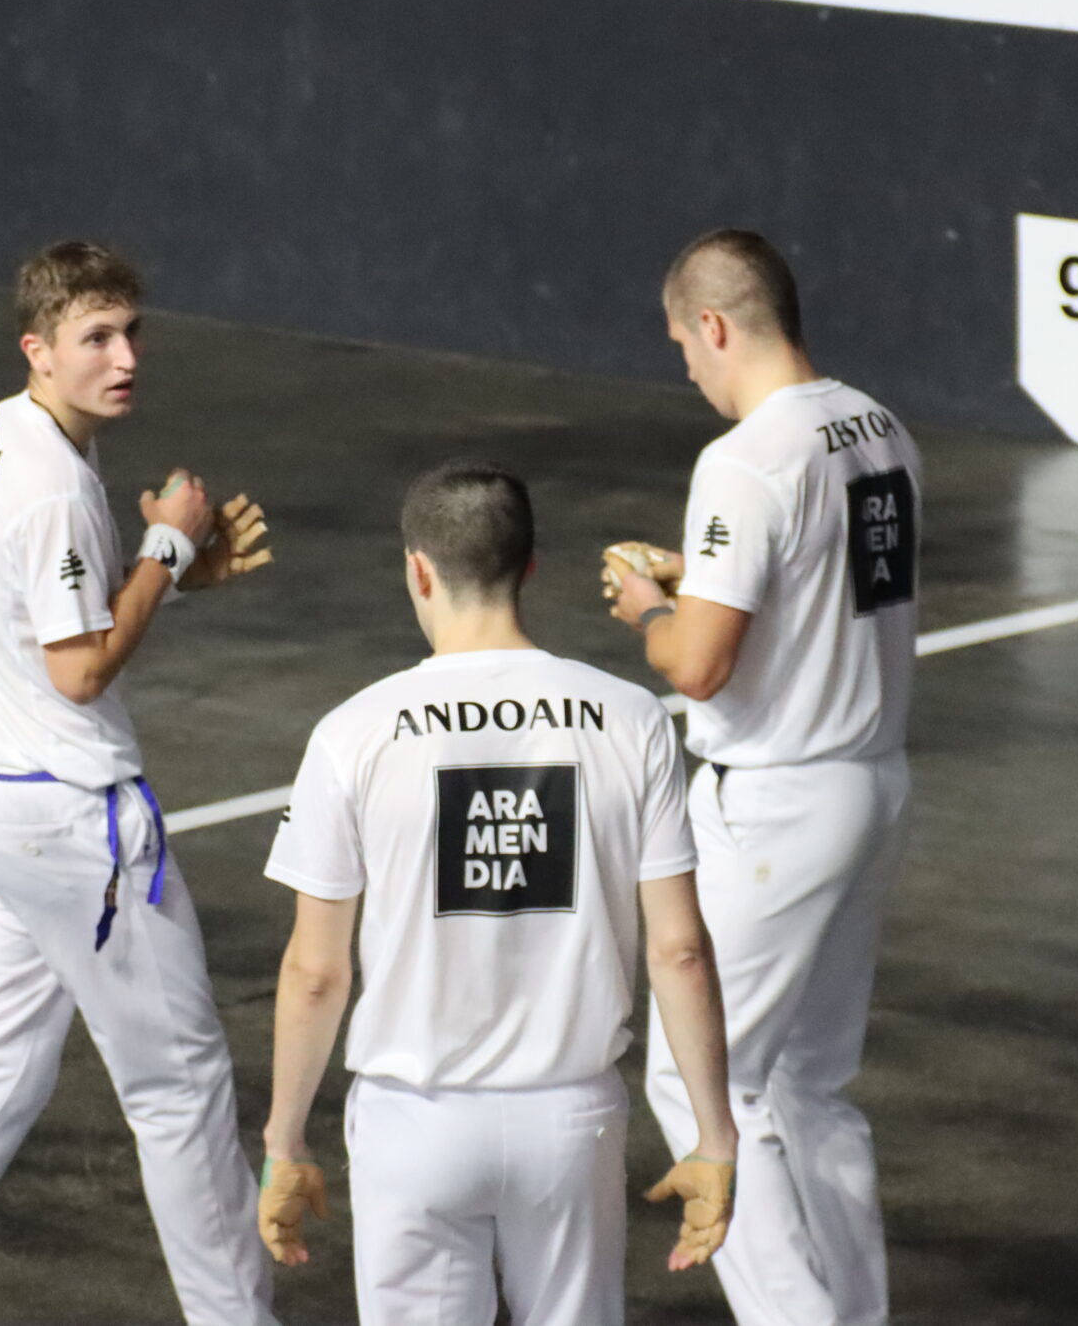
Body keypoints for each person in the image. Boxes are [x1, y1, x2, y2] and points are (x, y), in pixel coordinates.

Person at [0, 241, 277, 1326]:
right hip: (75, 831)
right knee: (179, 1092)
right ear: (38, 348)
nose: (125, 358)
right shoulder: (58, 487)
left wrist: (164, 573)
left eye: (130, 333)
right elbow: (79, 671)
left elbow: (43, 609)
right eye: (95, 339)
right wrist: (166, 549)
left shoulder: (1, 430)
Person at [257, 459, 739, 1326]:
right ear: (529, 566)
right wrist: (714, 1135)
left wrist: (284, 1140)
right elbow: (680, 950)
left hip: (414, 1123)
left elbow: (316, 971)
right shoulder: (631, 718)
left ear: (418, 570)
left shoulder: (351, 733)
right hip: (572, 1123)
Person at [603, 229, 921, 1326]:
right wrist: (702, 574)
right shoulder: (878, 429)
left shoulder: (742, 461)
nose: (688, 368)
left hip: (779, 806)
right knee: (812, 1086)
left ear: (715, 325)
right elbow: (821, 580)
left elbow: (698, 664)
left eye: (682, 345)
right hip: (872, 785)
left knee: (701, 1082)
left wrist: (652, 610)